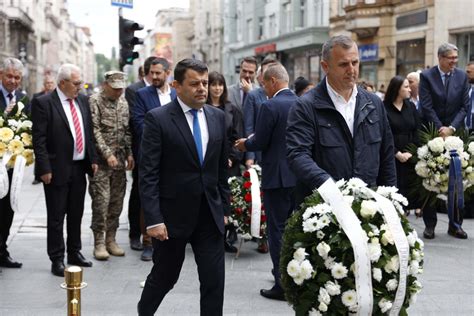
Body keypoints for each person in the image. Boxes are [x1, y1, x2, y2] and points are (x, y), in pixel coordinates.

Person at [137, 58, 230, 316]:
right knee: (164, 278)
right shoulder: (158, 119)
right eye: (195, 84)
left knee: (214, 282)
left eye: (205, 82)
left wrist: (225, 207)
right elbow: (148, 174)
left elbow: (221, 168)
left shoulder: (218, 117)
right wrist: (153, 219)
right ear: (176, 85)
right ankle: (144, 312)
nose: (202, 88)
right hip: (171, 219)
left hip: (210, 216)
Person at [286, 35, 396, 206]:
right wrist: (330, 187)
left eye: (355, 62)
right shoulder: (305, 106)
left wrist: (390, 201)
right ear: (325, 66)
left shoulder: (373, 103)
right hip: (323, 209)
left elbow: (387, 155)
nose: (351, 70)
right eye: (344, 64)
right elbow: (298, 155)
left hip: (368, 208)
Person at [235, 63, 296, 301]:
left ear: (272, 81)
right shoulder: (302, 103)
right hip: (298, 175)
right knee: (294, 228)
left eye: (263, 83)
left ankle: (282, 284)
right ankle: (294, 275)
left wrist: (244, 144)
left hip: (277, 177)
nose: (263, 89)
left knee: (277, 229)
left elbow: (260, 140)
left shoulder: (271, 106)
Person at [32, 64, 99, 277]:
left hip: (79, 168)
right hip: (56, 168)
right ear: (62, 83)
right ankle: (57, 258)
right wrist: (44, 168)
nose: (80, 86)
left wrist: (93, 159)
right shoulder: (44, 103)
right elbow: (39, 139)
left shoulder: (82, 101)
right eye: (76, 83)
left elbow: (88, 133)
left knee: (76, 214)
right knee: (56, 216)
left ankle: (74, 252)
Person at [419, 43, 470, 239]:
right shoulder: (427, 76)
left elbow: (465, 107)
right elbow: (426, 105)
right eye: (451, 58)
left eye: (456, 58)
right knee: (431, 179)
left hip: (455, 134)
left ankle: (455, 224)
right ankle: (430, 225)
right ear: (440, 58)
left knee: (458, 180)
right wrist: (440, 128)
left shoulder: (461, 77)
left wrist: (451, 129)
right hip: (432, 133)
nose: (454, 62)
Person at [132, 57, 177, 262]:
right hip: (151, 155)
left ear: (168, 72)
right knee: (148, 198)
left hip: (175, 157)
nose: (154, 76)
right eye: (152, 73)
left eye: (159, 73)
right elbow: (140, 124)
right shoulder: (141, 95)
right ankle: (148, 242)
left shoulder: (177, 94)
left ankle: (170, 237)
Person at [88, 71, 134, 260]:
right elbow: (94, 130)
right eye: (115, 88)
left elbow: (127, 130)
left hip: (120, 162)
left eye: (121, 88)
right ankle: (99, 242)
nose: (118, 92)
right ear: (105, 85)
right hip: (101, 163)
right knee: (101, 202)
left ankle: (111, 239)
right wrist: (107, 154)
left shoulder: (124, 103)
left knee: (116, 202)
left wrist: (130, 153)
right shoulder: (95, 101)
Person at [125, 56, 159, 252]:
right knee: (138, 193)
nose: (155, 76)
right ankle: (134, 233)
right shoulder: (135, 90)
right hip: (142, 149)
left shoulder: (168, 91)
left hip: (163, 153)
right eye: (152, 72)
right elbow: (134, 123)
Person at [207, 71, 242, 253]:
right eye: (213, 84)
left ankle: (229, 235)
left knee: (228, 198)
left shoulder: (231, 109)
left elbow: (237, 138)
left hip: (229, 162)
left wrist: (231, 157)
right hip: (207, 162)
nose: (217, 88)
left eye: (220, 85)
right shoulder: (202, 107)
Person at [0, 58, 27, 270]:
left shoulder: (23, 99)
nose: (13, 81)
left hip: (12, 167)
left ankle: (2, 250)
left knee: (8, 208)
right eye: (9, 76)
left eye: (17, 77)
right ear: (1, 75)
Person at [383, 75, 421, 216]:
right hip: (391, 155)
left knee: (409, 190)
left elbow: (418, 130)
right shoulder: (384, 108)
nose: (409, 89)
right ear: (397, 89)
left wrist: (411, 152)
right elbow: (383, 134)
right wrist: (396, 153)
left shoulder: (410, 106)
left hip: (410, 155)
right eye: (405, 86)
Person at [242, 57, 278, 168]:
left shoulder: (284, 95)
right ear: (261, 75)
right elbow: (249, 127)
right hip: (260, 153)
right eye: (266, 71)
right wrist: (250, 156)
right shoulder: (253, 95)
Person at [31, 74, 57, 185]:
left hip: (53, 130)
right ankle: (37, 176)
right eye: (47, 83)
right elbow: (31, 112)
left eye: (51, 83)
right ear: (44, 85)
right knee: (40, 151)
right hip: (40, 128)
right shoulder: (37, 96)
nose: (49, 85)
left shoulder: (58, 97)